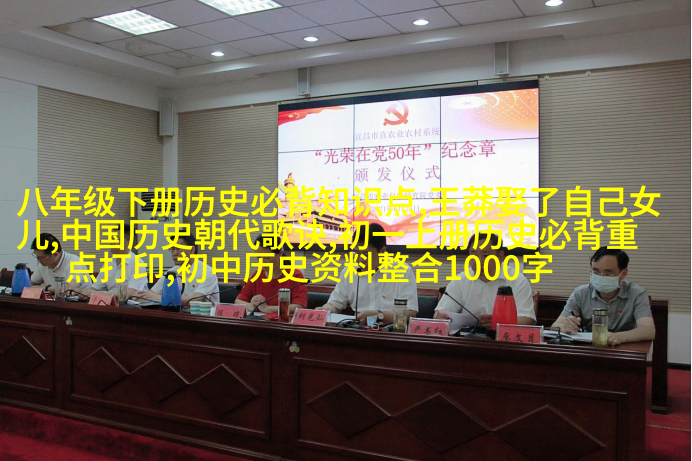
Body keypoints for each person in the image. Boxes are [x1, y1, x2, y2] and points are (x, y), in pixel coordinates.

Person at [551, 247, 654, 346]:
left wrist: (618, 337)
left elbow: (648, 330)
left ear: (623, 273)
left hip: (625, 351)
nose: (601, 277)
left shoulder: (637, 294)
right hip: (590, 350)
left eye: (608, 274)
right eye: (596, 272)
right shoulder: (580, 293)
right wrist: (564, 327)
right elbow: (555, 326)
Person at [321, 223, 418, 324]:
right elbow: (334, 304)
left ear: (382, 251)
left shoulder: (403, 271)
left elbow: (410, 313)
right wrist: (324, 310)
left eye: (366, 254)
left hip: (390, 330)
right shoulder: (349, 272)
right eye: (356, 253)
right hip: (357, 329)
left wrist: (379, 315)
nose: (360, 260)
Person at [434, 233, 535, 328]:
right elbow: (439, 314)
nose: (479, 261)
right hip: (467, 337)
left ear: (500, 256)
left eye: (485, 255)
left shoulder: (517, 281)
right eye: (474, 255)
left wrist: (499, 322)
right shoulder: (460, 280)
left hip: (504, 338)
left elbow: (527, 319)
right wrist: (441, 316)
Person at [136, 235, 220, 307]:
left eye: (178, 249)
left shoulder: (207, 272)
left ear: (192, 250)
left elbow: (194, 300)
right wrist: (141, 296)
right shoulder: (172, 272)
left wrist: (160, 298)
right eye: (172, 249)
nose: (174, 253)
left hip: (203, 318)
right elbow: (151, 294)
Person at [235, 236, 308, 314]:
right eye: (259, 258)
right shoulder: (257, 275)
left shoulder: (295, 275)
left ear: (280, 253)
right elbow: (238, 301)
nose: (262, 262)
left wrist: (267, 308)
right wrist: (251, 305)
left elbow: (299, 306)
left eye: (267, 258)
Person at [83, 224, 148, 299]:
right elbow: (95, 288)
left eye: (115, 239)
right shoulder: (109, 263)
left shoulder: (138, 263)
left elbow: (130, 293)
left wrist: (99, 293)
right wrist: (83, 293)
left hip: (131, 304)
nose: (111, 243)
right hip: (111, 302)